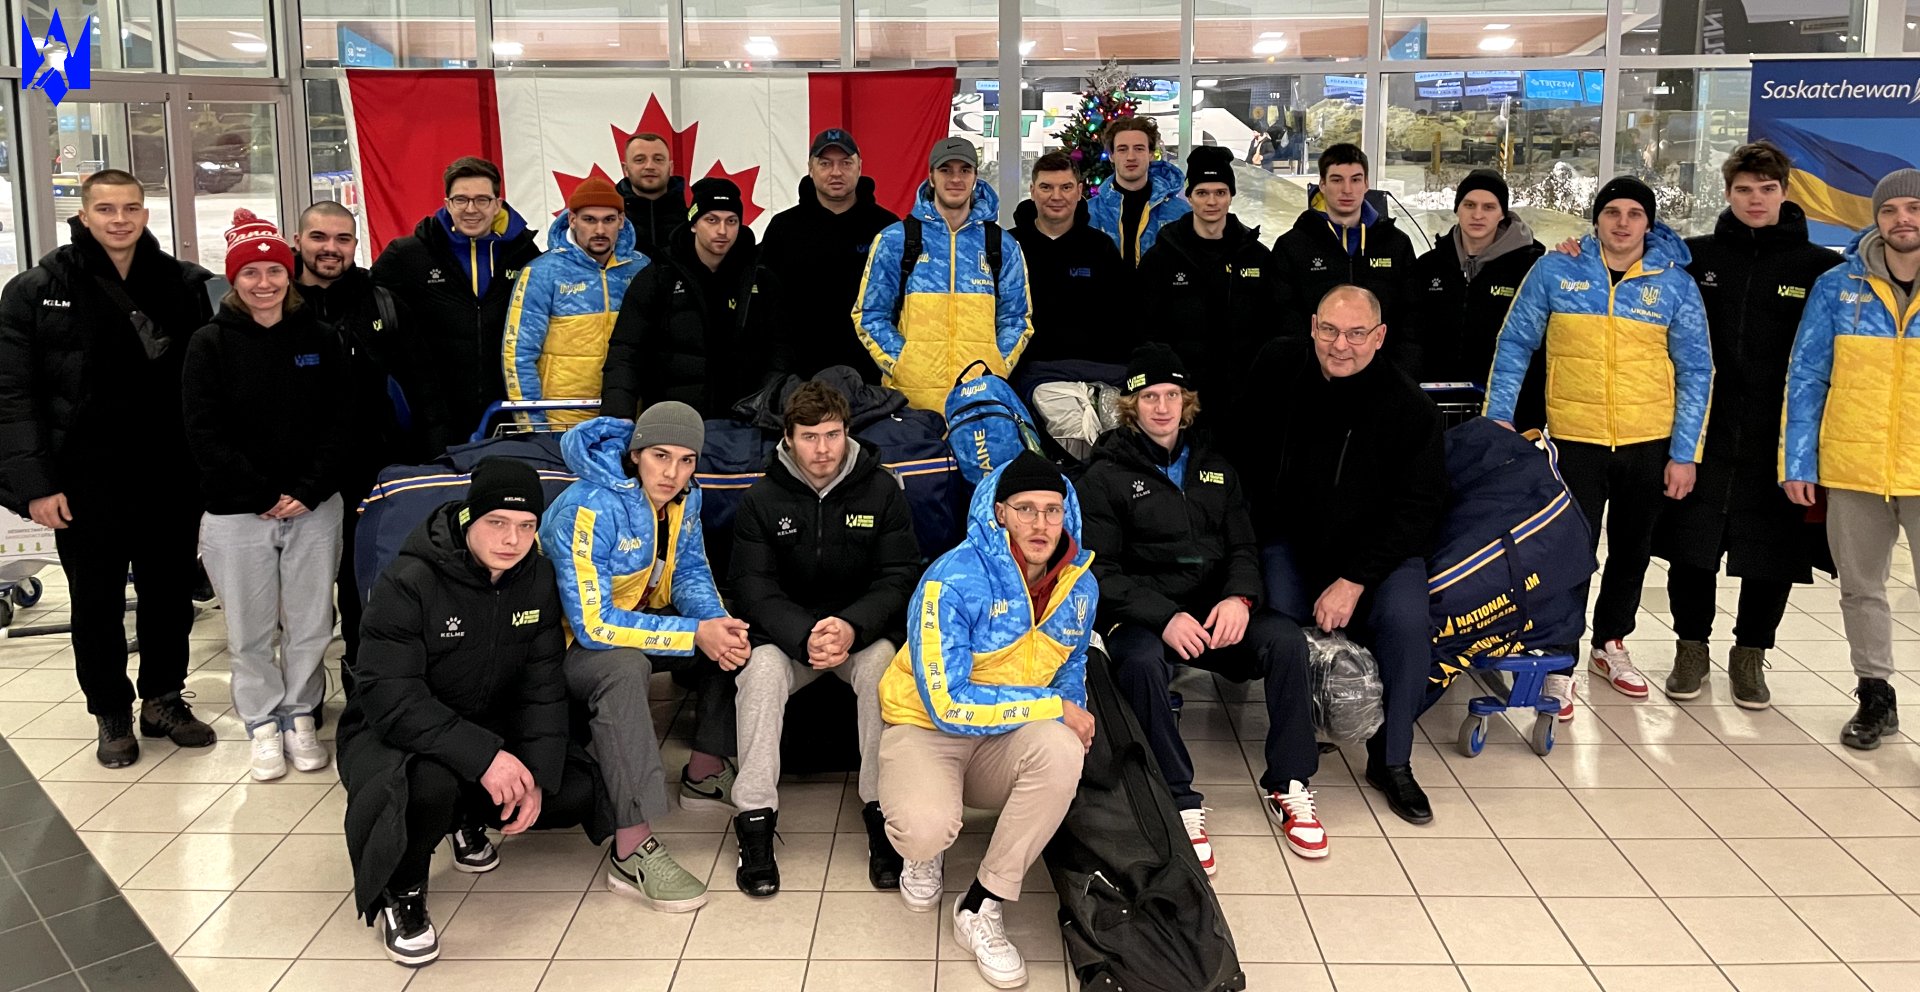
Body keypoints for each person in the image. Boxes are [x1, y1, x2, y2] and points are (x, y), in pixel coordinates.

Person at [339, 458, 597, 967]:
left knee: (572, 790)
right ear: (469, 517)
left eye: (526, 526)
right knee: (428, 786)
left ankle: (464, 821)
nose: (512, 539)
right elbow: (392, 697)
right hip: (395, 732)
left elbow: (541, 687)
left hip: (485, 723)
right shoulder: (409, 580)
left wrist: (535, 775)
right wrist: (485, 759)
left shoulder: (537, 577)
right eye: (497, 522)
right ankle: (402, 891)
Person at [0, 168, 216, 767]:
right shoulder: (36, 290)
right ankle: (111, 712)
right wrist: (35, 486)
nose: (119, 220)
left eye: (130, 208)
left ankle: (163, 699)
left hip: (168, 475)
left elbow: (208, 386)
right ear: (84, 215)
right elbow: (11, 393)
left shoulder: (183, 284)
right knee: (95, 602)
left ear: (145, 213)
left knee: (169, 595)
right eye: (106, 209)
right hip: (83, 480)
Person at [1079, 345, 1323, 866]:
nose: (1162, 407)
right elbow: (1098, 569)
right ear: (1131, 405)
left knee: (1285, 641)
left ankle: (1290, 783)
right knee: (1140, 662)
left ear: (1186, 401)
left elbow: (1243, 546)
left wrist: (1239, 597)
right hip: (1146, 617)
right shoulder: (1104, 475)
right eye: (1149, 397)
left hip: (1214, 611)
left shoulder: (1216, 466)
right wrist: (1164, 616)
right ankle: (1178, 798)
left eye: (1171, 395)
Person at [1485, 177, 1713, 719]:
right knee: (1569, 553)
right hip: (1574, 439)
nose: (1623, 223)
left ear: (1649, 223)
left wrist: (1685, 453)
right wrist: (1498, 418)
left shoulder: (1674, 284)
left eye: (1635, 213)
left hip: (1648, 441)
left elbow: (1696, 369)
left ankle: (1611, 642)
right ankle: (1558, 658)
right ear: (1597, 219)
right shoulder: (1556, 270)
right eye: (1612, 212)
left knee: (1632, 550)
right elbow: (1515, 343)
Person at [877, 452, 1094, 989]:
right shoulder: (951, 579)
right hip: (927, 728)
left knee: (1063, 749)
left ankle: (982, 903)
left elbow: (1070, 667)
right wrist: (1052, 708)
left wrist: (1071, 711)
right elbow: (947, 704)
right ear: (1000, 513)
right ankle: (925, 853)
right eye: (1026, 509)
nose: (1041, 524)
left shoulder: (1079, 585)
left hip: (1004, 738)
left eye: (1052, 510)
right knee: (925, 829)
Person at [1242, 286, 1448, 826]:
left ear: (1379, 338)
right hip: (1293, 539)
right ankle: (1302, 742)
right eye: (1330, 330)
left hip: (1380, 553)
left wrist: (1354, 580)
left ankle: (1392, 760)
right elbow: (1245, 451)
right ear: (1313, 326)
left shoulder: (1413, 409)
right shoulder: (1277, 366)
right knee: (1281, 622)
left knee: (1406, 624)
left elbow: (1418, 511)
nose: (1340, 345)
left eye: (1357, 334)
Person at [542, 404, 748, 912]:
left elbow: (690, 571)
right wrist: (693, 633)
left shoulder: (686, 497)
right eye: (660, 456)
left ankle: (704, 772)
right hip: (561, 648)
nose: (673, 473)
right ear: (635, 455)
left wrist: (715, 625)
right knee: (625, 667)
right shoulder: (588, 508)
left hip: (633, 621)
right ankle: (631, 848)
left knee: (730, 629)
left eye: (686, 460)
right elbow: (594, 626)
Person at [1658, 143, 1841, 707]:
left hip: (1778, 436)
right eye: (1743, 189)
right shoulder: (1695, 258)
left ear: (1785, 191)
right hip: (1704, 429)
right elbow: (1630, 259)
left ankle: (1751, 654)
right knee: (1692, 546)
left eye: (1766, 189)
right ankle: (1691, 648)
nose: (1755, 199)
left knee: (1772, 553)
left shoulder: (1819, 268)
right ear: (1728, 193)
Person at [726, 381, 920, 896]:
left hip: (860, 632)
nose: (822, 449)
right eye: (809, 437)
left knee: (883, 671)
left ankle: (882, 814)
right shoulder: (761, 498)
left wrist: (851, 626)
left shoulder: (882, 490)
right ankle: (754, 820)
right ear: (788, 438)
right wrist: (802, 634)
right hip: (788, 637)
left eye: (832, 435)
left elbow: (900, 576)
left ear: (847, 432)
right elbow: (751, 586)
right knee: (760, 674)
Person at [183, 210, 350, 782]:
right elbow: (203, 431)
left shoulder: (320, 338)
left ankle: (300, 714)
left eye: (274, 270)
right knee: (249, 631)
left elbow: (341, 423)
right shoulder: (209, 343)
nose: (264, 282)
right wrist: (257, 492)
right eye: (250, 272)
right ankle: (261, 723)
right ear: (233, 280)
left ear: (288, 273)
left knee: (310, 624)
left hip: (313, 508)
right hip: (237, 512)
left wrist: (307, 490)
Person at [1783, 168, 1920, 751]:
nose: (1902, 219)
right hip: (1853, 464)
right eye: (1890, 211)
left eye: (1913, 208)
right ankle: (1874, 696)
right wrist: (1798, 461)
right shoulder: (1838, 286)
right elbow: (1807, 376)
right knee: (1861, 588)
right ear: (1876, 219)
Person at [294, 201, 444, 687]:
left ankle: (363, 680)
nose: (330, 249)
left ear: (356, 246)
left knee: (364, 582)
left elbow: (423, 384)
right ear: (297, 240)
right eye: (319, 237)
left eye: (343, 239)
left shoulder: (382, 303)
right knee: (301, 592)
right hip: (298, 474)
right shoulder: (276, 301)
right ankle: (300, 696)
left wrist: (430, 460)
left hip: (372, 467)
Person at [854, 137, 1033, 411]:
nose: (956, 179)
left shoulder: (1002, 245)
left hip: (980, 401)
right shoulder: (895, 240)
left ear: (975, 177)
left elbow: (1017, 319)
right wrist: (902, 364)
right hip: (912, 405)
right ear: (931, 176)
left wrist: (996, 366)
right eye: (946, 170)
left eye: (965, 170)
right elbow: (869, 314)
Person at [370, 156, 539, 439]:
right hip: (432, 417)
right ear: (447, 204)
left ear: (497, 204)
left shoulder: (524, 254)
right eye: (461, 200)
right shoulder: (408, 254)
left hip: (506, 413)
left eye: (482, 200)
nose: (471, 209)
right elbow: (365, 302)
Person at [601, 177, 779, 419]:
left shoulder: (760, 278)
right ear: (694, 223)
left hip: (745, 423)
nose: (722, 231)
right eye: (711, 220)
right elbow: (626, 352)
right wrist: (618, 418)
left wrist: (768, 406)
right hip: (673, 422)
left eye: (731, 221)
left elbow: (780, 351)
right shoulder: (658, 276)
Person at [1136, 145, 1277, 411]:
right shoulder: (1161, 258)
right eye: (1202, 193)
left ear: (1231, 196)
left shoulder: (1257, 257)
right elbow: (1147, 331)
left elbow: (1271, 327)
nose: (1211, 202)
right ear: (1189, 197)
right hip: (1182, 399)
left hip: (1244, 398)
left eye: (1220, 192)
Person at [501, 177, 647, 427]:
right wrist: (533, 427)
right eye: (589, 219)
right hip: (561, 421)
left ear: (621, 221)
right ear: (572, 220)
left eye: (609, 220)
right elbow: (517, 355)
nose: (599, 230)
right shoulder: (542, 272)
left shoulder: (641, 268)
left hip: (628, 417)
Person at [1406, 169, 1547, 427]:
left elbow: (1538, 346)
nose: (1478, 215)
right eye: (1469, 205)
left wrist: (1529, 414)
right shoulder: (1429, 266)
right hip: (1434, 408)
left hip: (1503, 411)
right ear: (1457, 209)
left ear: (1502, 213)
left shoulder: (1528, 268)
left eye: (1489, 207)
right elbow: (1412, 334)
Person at [758, 128, 900, 382]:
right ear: (810, 168)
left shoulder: (887, 228)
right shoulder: (783, 228)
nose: (836, 172)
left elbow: (903, 305)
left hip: (872, 375)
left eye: (845, 163)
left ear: (859, 166)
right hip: (800, 377)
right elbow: (766, 307)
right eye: (825, 163)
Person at [1271, 144, 1419, 373]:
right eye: (1337, 180)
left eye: (1356, 179)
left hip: (1382, 378)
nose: (1347, 189)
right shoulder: (1292, 246)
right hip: (1315, 378)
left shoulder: (1396, 244)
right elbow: (1284, 322)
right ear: (1322, 184)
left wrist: (1398, 372)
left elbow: (1411, 319)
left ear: (1366, 184)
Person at [1009, 151, 1127, 367]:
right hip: (1021, 372)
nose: (1056, 196)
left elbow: (1121, 317)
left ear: (1079, 191)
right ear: (1032, 191)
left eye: (1066, 187)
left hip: (1089, 372)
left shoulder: (1101, 247)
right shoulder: (1008, 246)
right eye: (1046, 187)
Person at [1084, 116, 1191, 267]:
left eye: (1139, 149)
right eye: (1122, 149)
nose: (1131, 157)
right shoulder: (1088, 213)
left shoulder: (1181, 213)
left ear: (1151, 154)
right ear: (1111, 156)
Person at [617, 132, 687, 259]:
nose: (649, 166)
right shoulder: (611, 220)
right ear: (625, 169)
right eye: (640, 160)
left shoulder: (692, 221)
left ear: (670, 167)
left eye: (658, 159)